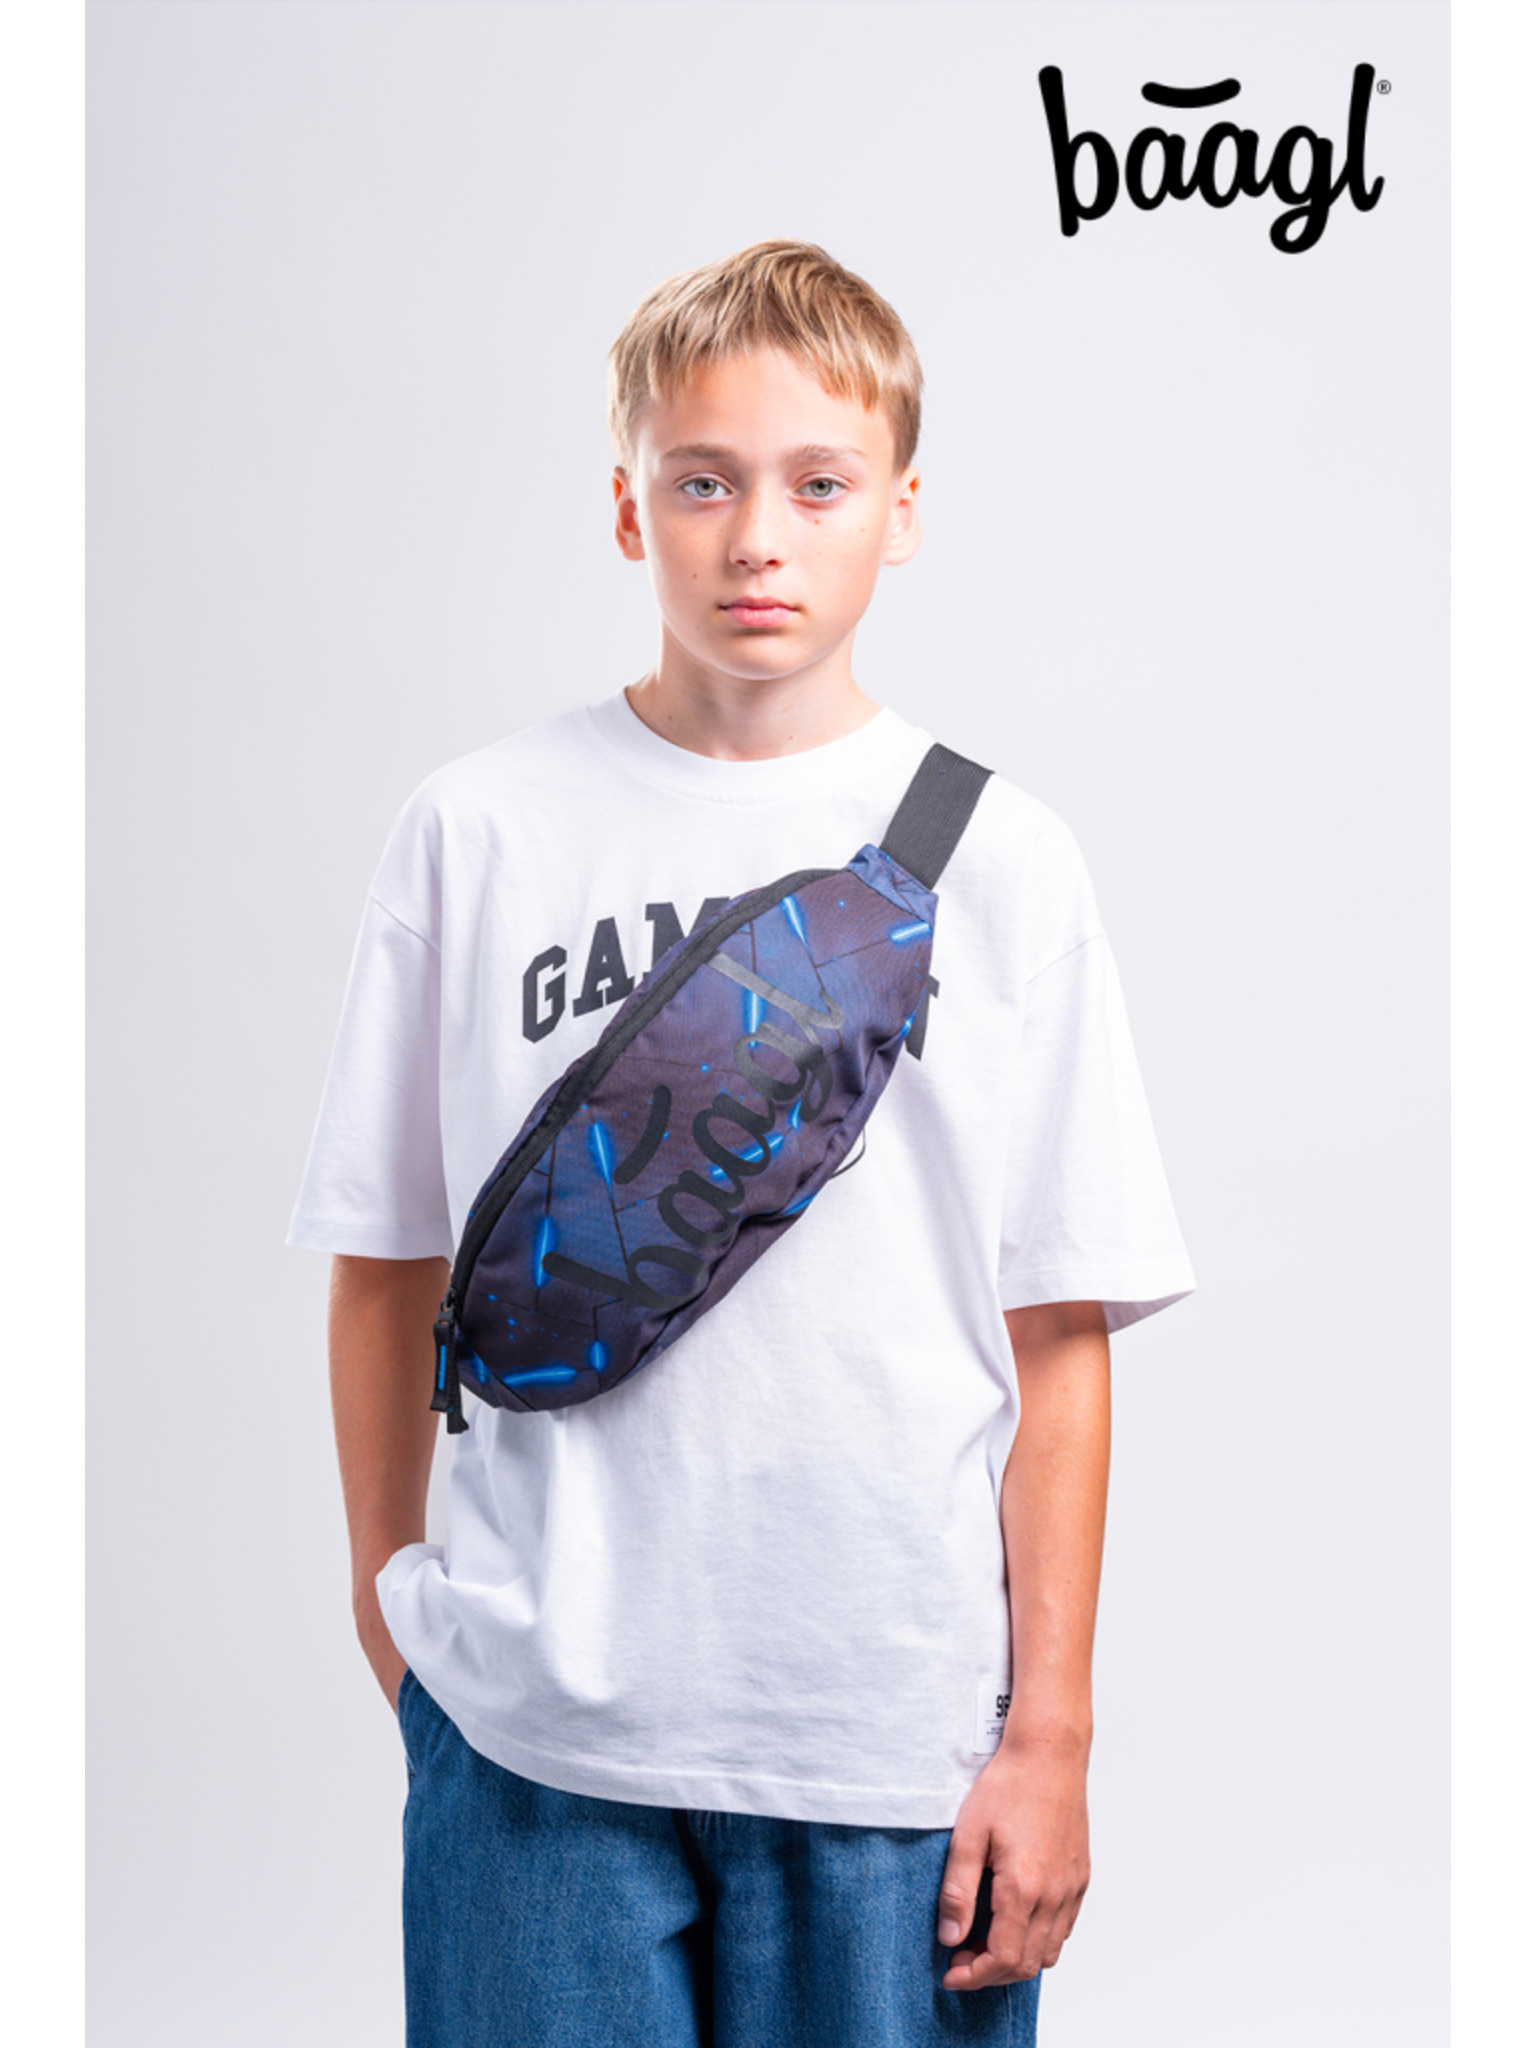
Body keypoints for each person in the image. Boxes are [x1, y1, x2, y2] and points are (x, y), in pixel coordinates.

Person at [288, 239, 1195, 2048]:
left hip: (890, 1743)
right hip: (532, 1737)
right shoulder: (478, 829)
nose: (758, 537)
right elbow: (384, 1261)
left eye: (818, 484)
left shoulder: (1007, 861)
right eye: (702, 482)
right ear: (630, 509)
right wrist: (400, 1626)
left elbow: (1057, 1333)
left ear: (903, 511)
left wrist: (1053, 1737)